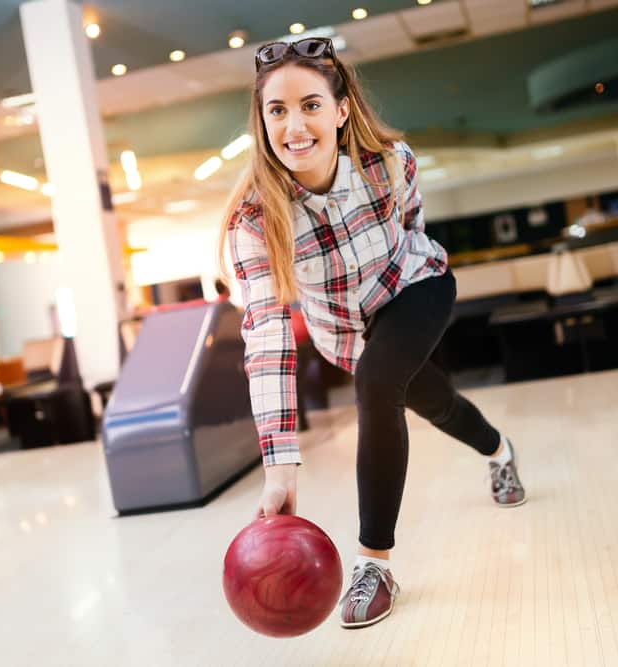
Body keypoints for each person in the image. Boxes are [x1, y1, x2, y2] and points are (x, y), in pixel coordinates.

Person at [218, 37, 526, 630]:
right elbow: (269, 335)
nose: (294, 125)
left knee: (379, 384)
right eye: (276, 110)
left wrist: (402, 313)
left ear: (340, 110)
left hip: (415, 284)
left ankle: (375, 563)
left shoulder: (390, 161)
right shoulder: (254, 219)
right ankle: (500, 451)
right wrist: (279, 466)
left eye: (310, 104)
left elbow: (412, 226)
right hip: (349, 335)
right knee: (429, 398)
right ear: (262, 122)